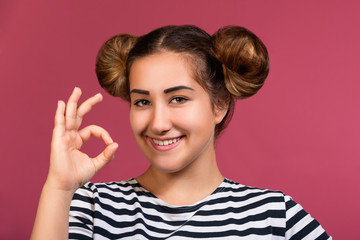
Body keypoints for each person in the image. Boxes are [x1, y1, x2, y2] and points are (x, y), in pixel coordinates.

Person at [31, 25, 331, 239]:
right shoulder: (92, 208)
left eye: (178, 99)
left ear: (220, 105)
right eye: (143, 101)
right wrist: (59, 187)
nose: (158, 123)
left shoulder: (275, 215)